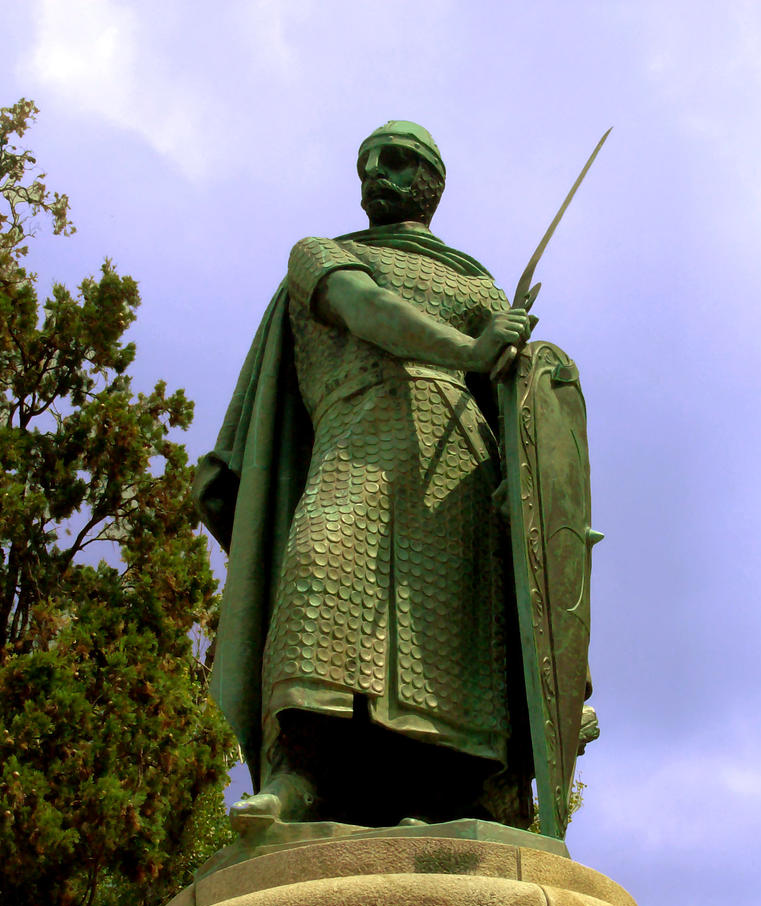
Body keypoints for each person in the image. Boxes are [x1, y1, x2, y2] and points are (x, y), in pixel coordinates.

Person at [194, 121, 535, 833]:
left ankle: (451, 792)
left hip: (457, 466)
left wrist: (525, 476)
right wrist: (472, 348)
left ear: (433, 182)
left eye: (398, 159)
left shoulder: (477, 282)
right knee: (319, 577)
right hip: (354, 437)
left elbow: (518, 394)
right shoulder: (321, 255)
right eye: (368, 161)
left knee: (450, 638)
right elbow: (368, 312)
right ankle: (301, 779)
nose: (376, 171)